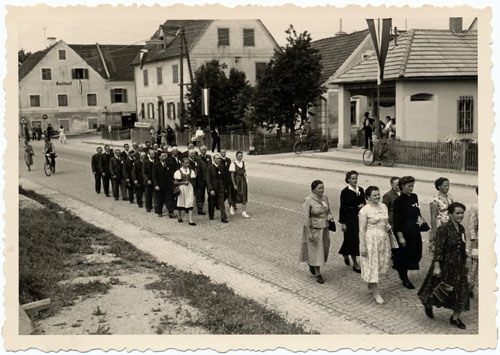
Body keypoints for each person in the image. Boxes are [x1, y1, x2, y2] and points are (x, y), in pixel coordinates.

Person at [417, 202, 471, 330]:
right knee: (440, 289)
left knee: (462, 290)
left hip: (459, 264)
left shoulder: (462, 228)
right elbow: (439, 249)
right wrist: (437, 266)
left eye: (462, 213)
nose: (460, 215)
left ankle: (455, 318)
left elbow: (462, 246)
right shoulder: (443, 229)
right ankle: (428, 303)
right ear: (450, 214)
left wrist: (466, 261)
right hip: (444, 263)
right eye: (457, 213)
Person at [359, 186, 393, 304]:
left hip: (383, 240)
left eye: (378, 194)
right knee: (372, 265)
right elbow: (362, 230)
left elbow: (386, 221)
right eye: (374, 195)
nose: (377, 197)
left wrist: (388, 226)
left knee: (379, 264)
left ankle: (370, 284)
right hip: (371, 241)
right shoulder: (364, 210)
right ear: (368, 197)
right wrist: (362, 245)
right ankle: (375, 292)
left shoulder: (383, 206)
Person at [393, 176, 427, 289]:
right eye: (409, 186)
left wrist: (420, 218)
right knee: (404, 256)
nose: (411, 188)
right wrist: (400, 236)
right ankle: (404, 277)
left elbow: (417, 211)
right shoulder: (398, 201)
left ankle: (400, 267)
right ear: (402, 187)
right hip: (404, 231)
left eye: (412, 186)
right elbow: (397, 221)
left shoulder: (414, 197)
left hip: (414, 230)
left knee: (417, 253)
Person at [299, 180, 334, 284]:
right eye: (319, 188)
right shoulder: (308, 200)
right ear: (313, 189)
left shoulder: (325, 198)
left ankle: (312, 263)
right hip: (314, 229)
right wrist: (309, 233)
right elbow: (306, 218)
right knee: (317, 251)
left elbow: (328, 210)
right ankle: (318, 273)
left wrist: (330, 216)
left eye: (323, 188)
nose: (322, 190)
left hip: (324, 228)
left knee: (324, 249)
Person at [339, 170, 365, 272]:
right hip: (350, 220)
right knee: (353, 240)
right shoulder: (345, 192)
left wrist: (363, 204)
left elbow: (363, 201)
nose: (355, 180)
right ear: (348, 179)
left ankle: (345, 253)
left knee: (354, 239)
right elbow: (343, 207)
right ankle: (355, 263)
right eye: (352, 179)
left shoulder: (361, 190)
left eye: (356, 178)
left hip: (360, 219)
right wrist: (343, 223)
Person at [430, 177, 454, 256]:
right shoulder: (435, 200)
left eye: (448, 185)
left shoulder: (450, 197)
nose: (447, 187)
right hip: (440, 225)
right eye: (445, 186)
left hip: (450, 224)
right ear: (439, 186)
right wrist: (434, 231)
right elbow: (433, 216)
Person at [174, 158, 197, 226]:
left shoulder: (191, 171)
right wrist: (183, 182)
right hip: (181, 188)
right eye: (186, 163)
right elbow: (175, 182)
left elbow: (193, 180)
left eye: (188, 163)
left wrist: (192, 186)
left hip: (189, 188)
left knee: (190, 202)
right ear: (182, 163)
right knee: (181, 202)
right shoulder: (178, 172)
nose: (187, 164)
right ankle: (179, 216)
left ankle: (190, 220)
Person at [206, 153, 228, 223]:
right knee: (212, 202)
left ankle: (223, 217)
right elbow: (208, 179)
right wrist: (210, 189)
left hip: (221, 188)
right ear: (213, 159)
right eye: (217, 158)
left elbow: (224, 178)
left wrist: (225, 188)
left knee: (221, 203)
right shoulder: (210, 168)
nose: (218, 160)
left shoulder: (222, 167)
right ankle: (211, 215)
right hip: (213, 188)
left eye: (219, 159)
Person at [229, 151, 249, 218]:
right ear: (236, 156)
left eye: (241, 156)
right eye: (239, 156)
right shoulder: (233, 164)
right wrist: (234, 184)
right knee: (235, 195)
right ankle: (232, 206)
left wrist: (246, 178)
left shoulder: (244, 163)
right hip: (237, 181)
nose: (240, 157)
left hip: (243, 181)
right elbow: (232, 175)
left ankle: (244, 212)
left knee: (244, 195)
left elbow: (245, 172)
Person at [153, 152, 171, 217]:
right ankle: (159, 212)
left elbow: (170, 174)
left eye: (165, 156)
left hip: (167, 185)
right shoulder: (156, 165)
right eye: (163, 156)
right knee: (159, 199)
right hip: (159, 185)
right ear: (159, 157)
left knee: (168, 199)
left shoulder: (168, 164)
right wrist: (156, 185)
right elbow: (154, 176)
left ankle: (170, 212)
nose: (164, 157)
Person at [468, 187, 478, 298]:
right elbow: (472, 228)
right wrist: (474, 247)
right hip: (479, 241)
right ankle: (469, 287)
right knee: (475, 266)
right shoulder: (475, 208)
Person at [196, 145, 211, 215]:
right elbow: (198, 170)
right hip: (201, 179)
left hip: (208, 178)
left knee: (210, 193)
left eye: (205, 150)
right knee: (200, 195)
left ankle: (211, 206)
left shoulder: (209, 157)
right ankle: (200, 208)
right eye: (202, 150)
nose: (204, 151)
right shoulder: (198, 158)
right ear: (200, 150)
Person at [142, 148, 155, 213]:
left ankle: (155, 206)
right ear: (148, 154)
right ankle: (148, 207)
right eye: (151, 154)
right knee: (148, 194)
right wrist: (147, 179)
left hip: (155, 180)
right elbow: (143, 172)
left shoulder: (156, 161)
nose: (153, 155)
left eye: (154, 154)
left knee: (155, 194)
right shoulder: (145, 162)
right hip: (148, 181)